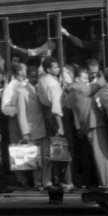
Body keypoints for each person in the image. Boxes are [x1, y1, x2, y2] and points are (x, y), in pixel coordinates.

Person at [67, 67, 108, 189]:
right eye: (84, 78)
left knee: (100, 153)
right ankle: (107, 183)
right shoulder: (77, 88)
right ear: (76, 79)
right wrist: (106, 74)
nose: (87, 81)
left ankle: (105, 181)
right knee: (102, 154)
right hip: (94, 124)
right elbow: (96, 85)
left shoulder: (74, 90)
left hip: (91, 124)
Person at [36, 57, 69, 191]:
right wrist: (60, 126)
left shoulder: (42, 80)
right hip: (54, 116)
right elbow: (56, 108)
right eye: (55, 67)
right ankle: (61, 180)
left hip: (46, 113)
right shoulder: (53, 84)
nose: (58, 69)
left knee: (51, 147)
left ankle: (50, 179)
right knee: (58, 147)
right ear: (48, 69)